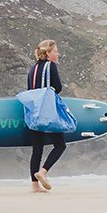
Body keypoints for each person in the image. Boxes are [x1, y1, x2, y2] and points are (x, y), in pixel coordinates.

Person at [26, 39, 66, 193]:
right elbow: (58, 87)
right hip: (47, 112)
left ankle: (34, 185)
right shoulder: (52, 66)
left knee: (37, 148)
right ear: (48, 53)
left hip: (33, 112)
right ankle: (43, 172)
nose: (58, 54)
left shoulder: (33, 68)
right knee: (60, 145)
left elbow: (30, 89)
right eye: (56, 51)